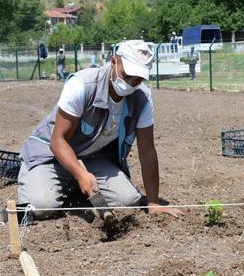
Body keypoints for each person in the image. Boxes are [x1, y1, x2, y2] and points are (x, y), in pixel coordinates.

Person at [18, 39, 182, 219]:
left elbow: (147, 150)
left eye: (138, 79)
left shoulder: (142, 98)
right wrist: (81, 174)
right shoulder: (83, 85)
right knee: (42, 206)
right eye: (127, 75)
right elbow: (57, 141)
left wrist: (153, 203)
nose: (131, 83)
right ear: (113, 62)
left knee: (127, 202)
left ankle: (76, 185)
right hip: (49, 156)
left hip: (93, 157)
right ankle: (48, 178)